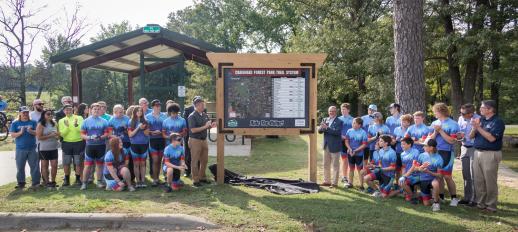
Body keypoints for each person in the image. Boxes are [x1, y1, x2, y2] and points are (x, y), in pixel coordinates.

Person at [470, 100, 505, 212]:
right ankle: (481, 204)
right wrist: (474, 127)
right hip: (477, 152)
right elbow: (471, 136)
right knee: (478, 180)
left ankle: (491, 206)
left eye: (483, 107)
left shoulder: (498, 122)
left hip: (491, 154)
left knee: (490, 181)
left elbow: (491, 138)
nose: (480, 109)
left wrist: (479, 127)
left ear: (490, 109)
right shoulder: (481, 120)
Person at [429, 103, 460, 206]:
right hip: (435, 152)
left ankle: (454, 198)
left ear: (441, 111)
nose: (434, 114)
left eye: (435, 112)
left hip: (447, 152)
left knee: (447, 177)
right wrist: (435, 132)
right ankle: (441, 197)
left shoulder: (453, 124)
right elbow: (430, 139)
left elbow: (451, 141)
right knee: (439, 176)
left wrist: (441, 130)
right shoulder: (434, 123)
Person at [80, 103, 110, 190]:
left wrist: (101, 137)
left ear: (100, 110)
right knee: (88, 165)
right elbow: (82, 134)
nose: (96, 111)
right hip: (90, 146)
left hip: (101, 145)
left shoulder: (104, 121)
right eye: (94, 109)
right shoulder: (86, 121)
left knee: (100, 165)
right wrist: (89, 137)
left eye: (98, 109)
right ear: (91, 110)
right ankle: (84, 183)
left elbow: (107, 133)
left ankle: (99, 181)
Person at [188, 97, 216, 187]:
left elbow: (207, 126)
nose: (203, 106)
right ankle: (195, 180)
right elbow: (193, 130)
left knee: (204, 160)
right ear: (196, 106)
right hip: (195, 140)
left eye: (203, 104)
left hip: (204, 140)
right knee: (195, 161)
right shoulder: (192, 116)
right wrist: (205, 126)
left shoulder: (204, 115)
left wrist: (211, 126)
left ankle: (202, 177)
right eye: (201, 104)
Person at [10, 106, 40, 189]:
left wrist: (31, 131)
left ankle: (36, 182)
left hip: (32, 148)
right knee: (20, 167)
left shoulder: (33, 122)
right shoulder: (15, 123)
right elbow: (12, 135)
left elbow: (38, 133)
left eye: (27, 112)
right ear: (20, 113)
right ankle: (21, 182)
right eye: (23, 112)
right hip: (20, 148)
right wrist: (20, 132)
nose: (25, 114)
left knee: (34, 166)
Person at [457, 103, 480, 206]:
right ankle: (467, 198)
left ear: (471, 114)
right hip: (464, 147)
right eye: (460, 112)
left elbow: (475, 135)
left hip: (475, 148)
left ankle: (475, 199)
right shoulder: (461, 119)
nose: (461, 114)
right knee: (465, 174)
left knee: (474, 174)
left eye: (463, 113)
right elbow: (460, 132)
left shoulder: (478, 119)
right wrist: (459, 135)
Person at [318, 106, 344, 188]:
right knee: (326, 164)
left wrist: (327, 128)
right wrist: (322, 127)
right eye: (330, 111)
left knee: (335, 165)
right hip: (326, 145)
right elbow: (319, 131)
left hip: (335, 146)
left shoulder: (339, 121)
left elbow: (337, 132)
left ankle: (334, 183)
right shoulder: (325, 119)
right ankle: (327, 181)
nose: (331, 113)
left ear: (336, 112)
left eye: (333, 111)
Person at [58, 104, 84, 186]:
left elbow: (81, 130)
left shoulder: (79, 118)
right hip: (66, 143)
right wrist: (67, 127)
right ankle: (67, 179)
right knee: (66, 162)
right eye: (66, 110)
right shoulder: (61, 120)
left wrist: (76, 125)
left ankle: (77, 179)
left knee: (78, 162)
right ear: (64, 111)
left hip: (78, 142)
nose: (68, 111)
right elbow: (62, 134)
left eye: (70, 109)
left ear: (72, 110)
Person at [415, 138, 444, 211]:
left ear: (431, 148)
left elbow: (440, 175)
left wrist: (428, 172)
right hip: (423, 180)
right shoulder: (421, 155)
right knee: (426, 204)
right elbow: (415, 168)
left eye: (425, 146)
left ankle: (436, 203)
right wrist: (420, 168)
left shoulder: (439, 158)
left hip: (432, 179)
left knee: (436, 184)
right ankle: (433, 197)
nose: (423, 147)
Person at [108, 104, 133, 183]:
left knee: (128, 160)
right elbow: (109, 134)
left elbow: (130, 131)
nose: (120, 114)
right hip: (116, 144)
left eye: (122, 112)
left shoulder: (127, 119)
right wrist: (116, 137)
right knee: (117, 161)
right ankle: (118, 179)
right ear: (114, 112)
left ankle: (130, 179)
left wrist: (125, 128)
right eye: (118, 112)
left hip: (127, 142)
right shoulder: (111, 120)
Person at [36, 109, 60, 188]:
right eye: (48, 114)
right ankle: (46, 182)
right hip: (44, 148)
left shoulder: (55, 123)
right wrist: (50, 135)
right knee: (44, 166)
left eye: (51, 114)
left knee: (54, 165)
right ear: (44, 115)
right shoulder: (41, 124)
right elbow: (39, 137)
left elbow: (58, 136)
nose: (50, 115)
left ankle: (53, 181)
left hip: (54, 147)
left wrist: (57, 135)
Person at [146, 99, 168, 186]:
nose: (158, 107)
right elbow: (145, 130)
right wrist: (152, 132)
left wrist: (161, 132)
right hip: (152, 140)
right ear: (152, 107)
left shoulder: (164, 116)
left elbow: (166, 128)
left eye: (159, 105)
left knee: (160, 160)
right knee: (155, 160)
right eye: (156, 105)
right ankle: (155, 179)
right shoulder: (147, 116)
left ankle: (158, 178)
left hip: (162, 139)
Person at [128, 106, 150, 188]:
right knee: (136, 164)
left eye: (141, 111)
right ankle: (138, 181)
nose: (139, 112)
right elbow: (130, 134)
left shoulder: (146, 121)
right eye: (138, 111)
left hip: (144, 144)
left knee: (143, 164)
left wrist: (143, 129)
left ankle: (143, 181)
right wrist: (138, 128)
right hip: (134, 145)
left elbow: (147, 134)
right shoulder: (130, 121)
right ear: (134, 112)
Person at [344, 117, 368, 189]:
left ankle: (361, 185)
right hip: (350, 153)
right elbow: (346, 141)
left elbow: (364, 144)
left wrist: (355, 151)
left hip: (359, 154)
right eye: (353, 123)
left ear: (359, 125)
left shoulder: (363, 132)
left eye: (355, 123)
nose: (353, 124)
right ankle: (350, 183)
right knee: (351, 168)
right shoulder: (349, 131)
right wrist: (350, 149)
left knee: (359, 169)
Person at [398, 137, 421, 203]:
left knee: (402, 182)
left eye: (404, 144)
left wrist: (405, 176)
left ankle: (413, 196)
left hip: (416, 175)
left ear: (409, 144)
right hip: (408, 175)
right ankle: (413, 196)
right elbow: (404, 167)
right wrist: (403, 176)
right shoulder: (402, 154)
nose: (402, 146)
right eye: (401, 144)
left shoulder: (416, 152)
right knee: (401, 182)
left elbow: (414, 166)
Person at [338, 103, 353, 185]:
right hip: (341, 141)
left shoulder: (352, 119)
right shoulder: (338, 119)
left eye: (344, 109)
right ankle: (344, 177)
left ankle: (350, 178)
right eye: (341, 109)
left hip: (351, 142)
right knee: (344, 159)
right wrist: (341, 136)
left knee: (350, 160)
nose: (342, 111)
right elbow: (336, 130)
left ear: (348, 110)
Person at [183, 96, 198, 178]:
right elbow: (186, 122)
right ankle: (187, 171)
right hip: (189, 135)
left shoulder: (203, 109)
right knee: (188, 153)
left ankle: (197, 171)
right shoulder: (188, 109)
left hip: (199, 135)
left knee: (198, 154)